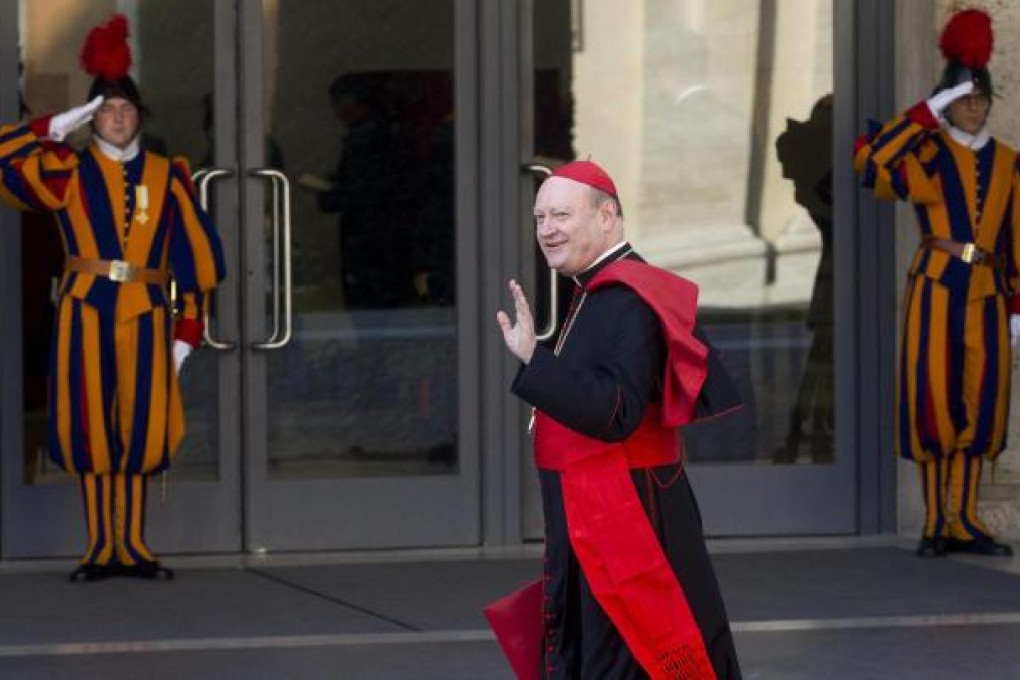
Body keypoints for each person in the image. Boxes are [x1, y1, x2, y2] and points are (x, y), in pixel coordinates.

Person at [493, 160, 742, 678]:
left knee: (636, 653)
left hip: (627, 515)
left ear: (607, 217)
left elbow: (616, 413)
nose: (547, 230)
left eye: (561, 214)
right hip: (600, 505)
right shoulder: (593, 289)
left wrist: (534, 362)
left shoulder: (627, 297)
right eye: (539, 218)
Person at [0, 14, 226, 580]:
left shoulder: (167, 174)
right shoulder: (65, 170)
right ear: (92, 118)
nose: (118, 119)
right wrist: (54, 124)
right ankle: (100, 548)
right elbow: (3, 155)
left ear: (139, 118)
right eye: (106, 110)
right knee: (91, 429)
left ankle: (135, 547)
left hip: (148, 315)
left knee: (141, 430)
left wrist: (187, 333)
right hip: (84, 313)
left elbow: (195, 263)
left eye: (127, 111)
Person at [854, 9, 1017, 557]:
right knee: (934, 401)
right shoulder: (926, 150)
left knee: (981, 402)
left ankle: (965, 519)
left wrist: (1018, 308)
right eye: (961, 101)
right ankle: (935, 521)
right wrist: (929, 112)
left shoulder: (1011, 165)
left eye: (976, 100)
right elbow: (872, 162)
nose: (972, 109)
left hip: (989, 294)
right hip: (935, 288)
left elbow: (1018, 239)